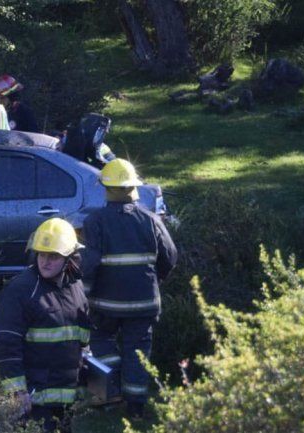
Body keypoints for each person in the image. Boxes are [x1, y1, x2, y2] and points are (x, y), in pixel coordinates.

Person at [81, 158, 177, 418]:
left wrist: (83, 296)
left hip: (106, 305)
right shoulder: (150, 219)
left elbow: (89, 265)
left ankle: (110, 394)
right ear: (133, 187)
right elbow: (170, 256)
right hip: (144, 303)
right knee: (138, 351)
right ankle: (136, 408)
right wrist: (155, 281)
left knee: (101, 341)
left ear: (105, 187)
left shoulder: (95, 222)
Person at [0, 218, 90, 433]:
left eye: (53, 256)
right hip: (35, 401)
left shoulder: (76, 287)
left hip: (67, 398)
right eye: (42, 254)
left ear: (69, 258)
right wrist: (17, 391)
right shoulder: (20, 290)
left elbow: (83, 337)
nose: (45, 261)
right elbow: (6, 345)